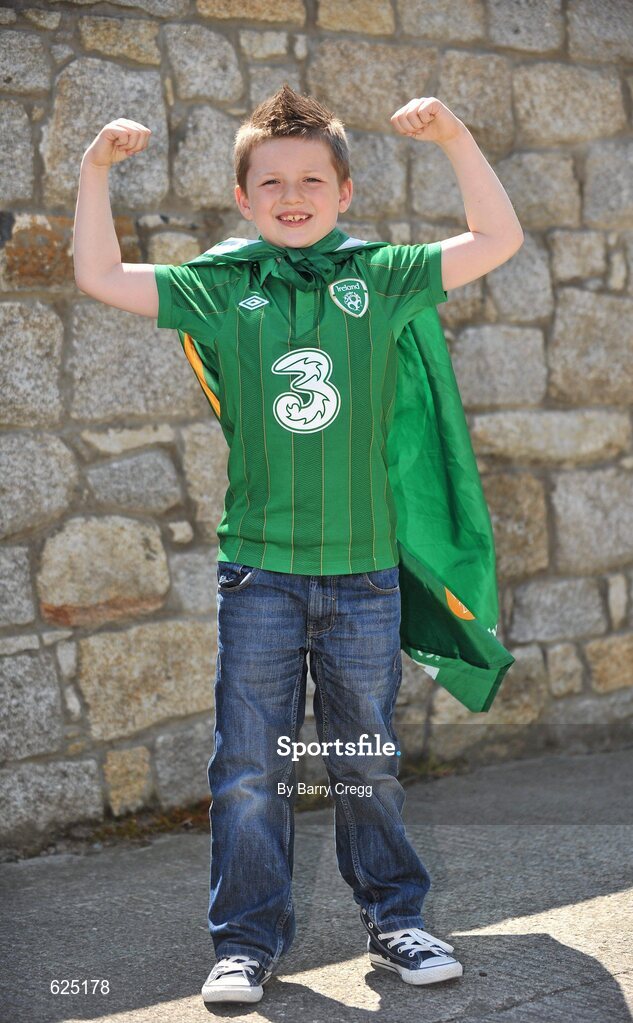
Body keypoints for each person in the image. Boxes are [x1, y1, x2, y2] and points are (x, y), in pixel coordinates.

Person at [73, 84, 523, 1007]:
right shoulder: (218, 285)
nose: (291, 193)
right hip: (261, 578)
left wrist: (455, 135)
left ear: (343, 190)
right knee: (248, 767)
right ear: (242, 198)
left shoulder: (383, 277)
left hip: (363, 578)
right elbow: (100, 276)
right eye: (270, 180)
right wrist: (92, 173)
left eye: (311, 178)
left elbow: (495, 241)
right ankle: (244, 942)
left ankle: (396, 919)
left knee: (367, 761)